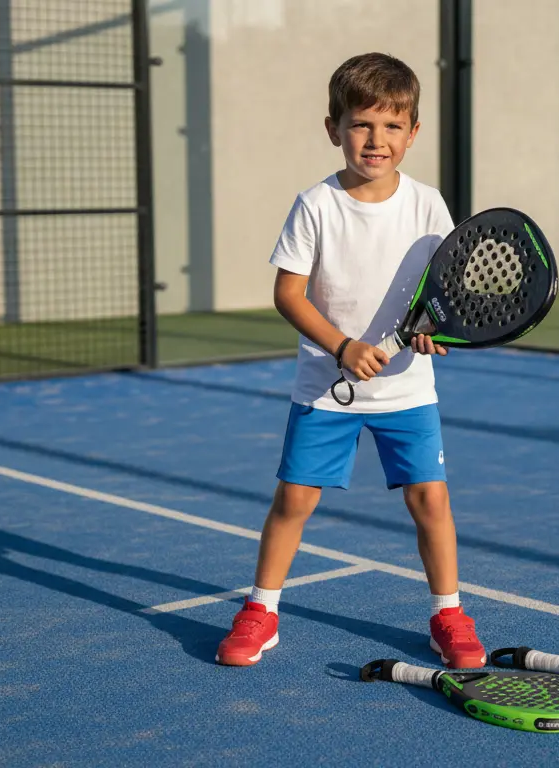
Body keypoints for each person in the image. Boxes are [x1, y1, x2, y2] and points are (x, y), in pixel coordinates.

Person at [215, 52, 485, 669]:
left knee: (431, 501)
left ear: (413, 134)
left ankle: (449, 614)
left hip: (408, 392)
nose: (376, 140)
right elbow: (288, 292)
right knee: (294, 501)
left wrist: (435, 334)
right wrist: (342, 347)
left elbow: (445, 293)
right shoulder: (315, 205)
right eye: (362, 124)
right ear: (334, 127)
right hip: (324, 388)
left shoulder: (428, 206)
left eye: (393, 127)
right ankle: (261, 611)